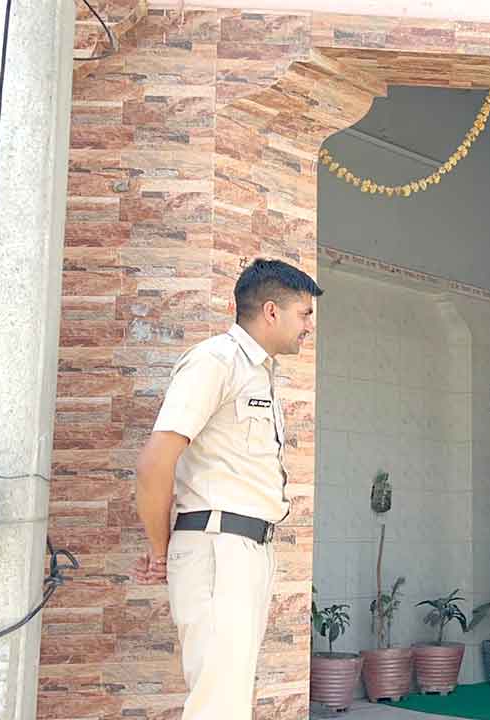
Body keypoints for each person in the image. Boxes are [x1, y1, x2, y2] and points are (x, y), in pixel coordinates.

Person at [132, 258, 322, 720]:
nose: (308, 328)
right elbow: (156, 462)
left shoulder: (259, 373)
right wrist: (160, 550)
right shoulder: (216, 361)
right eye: (305, 315)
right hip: (218, 548)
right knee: (217, 705)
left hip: (247, 549)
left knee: (229, 699)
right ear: (272, 311)